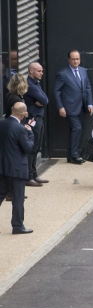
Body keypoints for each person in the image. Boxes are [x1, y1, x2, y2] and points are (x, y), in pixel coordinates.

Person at [0, 102, 35, 234]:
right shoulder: (21, 129)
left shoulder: (1, 124)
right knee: (18, 199)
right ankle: (18, 226)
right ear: (23, 114)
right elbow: (28, 148)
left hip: (2, 167)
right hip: (17, 169)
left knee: (1, 194)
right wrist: (30, 133)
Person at [54, 50, 93, 164]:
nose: (76, 61)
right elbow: (56, 92)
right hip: (69, 107)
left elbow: (87, 88)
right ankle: (74, 155)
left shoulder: (83, 71)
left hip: (81, 106)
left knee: (75, 130)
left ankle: (71, 155)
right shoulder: (62, 74)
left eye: (78, 59)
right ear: (69, 60)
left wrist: (90, 103)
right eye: (73, 59)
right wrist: (60, 107)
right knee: (77, 128)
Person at [23, 62, 50, 187]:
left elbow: (45, 99)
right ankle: (28, 176)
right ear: (31, 71)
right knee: (32, 148)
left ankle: (34, 174)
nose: (41, 73)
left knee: (37, 147)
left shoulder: (36, 84)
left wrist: (42, 100)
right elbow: (44, 100)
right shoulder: (30, 85)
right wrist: (40, 101)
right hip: (33, 118)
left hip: (39, 117)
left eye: (42, 71)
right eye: (39, 71)